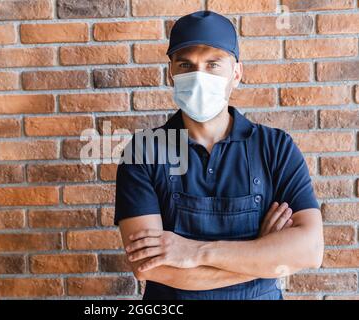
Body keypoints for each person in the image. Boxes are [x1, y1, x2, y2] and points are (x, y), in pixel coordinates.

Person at [114, 10, 324, 300]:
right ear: (171, 74)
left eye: (213, 64)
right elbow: (149, 267)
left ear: (236, 73)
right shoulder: (143, 152)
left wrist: (194, 252)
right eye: (186, 65)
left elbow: (310, 250)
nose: (199, 76)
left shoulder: (275, 148)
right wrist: (264, 257)